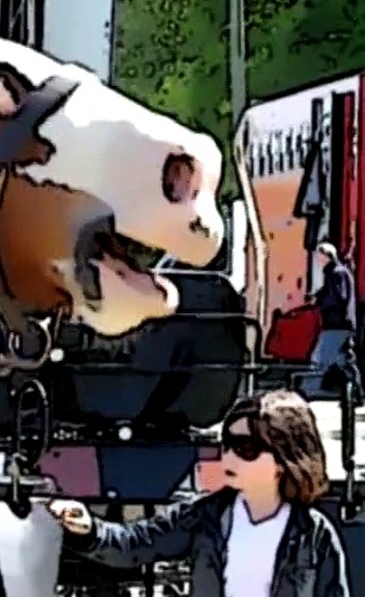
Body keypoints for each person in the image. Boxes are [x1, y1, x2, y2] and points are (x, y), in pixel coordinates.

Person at [48, 390, 349, 596]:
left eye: (246, 449)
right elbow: (134, 544)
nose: (228, 457)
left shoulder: (315, 534)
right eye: (226, 445)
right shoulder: (205, 516)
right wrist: (88, 529)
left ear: (284, 460)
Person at [303, 242, 359, 398]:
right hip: (343, 323)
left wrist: (320, 303)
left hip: (336, 323)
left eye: (319, 256)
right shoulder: (336, 272)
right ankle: (357, 392)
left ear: (327, 256)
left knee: (319, 357)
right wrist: (317, 297)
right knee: (343, 361)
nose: (317, 259)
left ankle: (308, 390)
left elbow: (338, 296)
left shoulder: (336, 273)